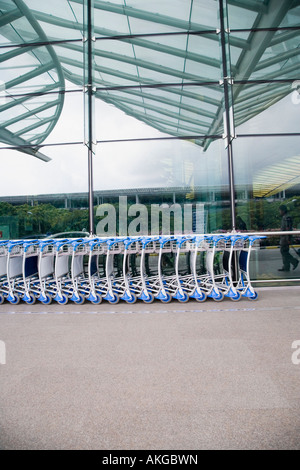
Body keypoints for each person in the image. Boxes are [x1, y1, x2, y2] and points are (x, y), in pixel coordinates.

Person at [278, 205, 298, 272]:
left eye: (280, 210)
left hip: (285, 238)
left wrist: (288, 238)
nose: (279, 212)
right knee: (284, 251)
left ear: (283, 210)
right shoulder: (285, 217)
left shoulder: (287, 217)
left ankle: (294, 261)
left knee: (283, 251)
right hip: (284, 237)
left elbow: (288, 228)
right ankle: (286, 266)